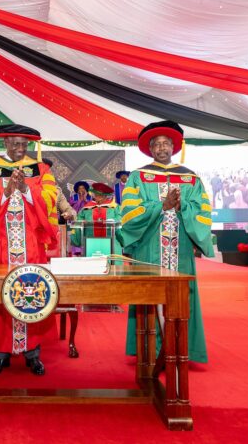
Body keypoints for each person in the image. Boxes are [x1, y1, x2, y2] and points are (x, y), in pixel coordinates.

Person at [0, 123, 58, 376]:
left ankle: (33, 354)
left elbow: (50, 197)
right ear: (5, 143)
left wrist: (27, 189)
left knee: (33, 291)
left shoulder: (40, 169)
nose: (20, 149)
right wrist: (5, 192)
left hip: (30, 243)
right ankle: (0, 354)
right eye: (15, 143)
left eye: (24, 144)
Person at [120, 120, 212, 364]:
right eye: (157, 144)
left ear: (173, 147)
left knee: (181, 296)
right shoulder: (138, 177)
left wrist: (181, 206)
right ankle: (151, 350)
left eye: (166, 143)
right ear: (150, 149)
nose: (161, 148)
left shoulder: (190, 178)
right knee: (148, 294)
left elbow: (202, 210)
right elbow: (129, 213)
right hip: (148, 247)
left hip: (180, 249)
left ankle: (179, 349)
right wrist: (162, 206)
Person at [70, 182, 123, 256]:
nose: (97, 197)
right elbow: (78, 222)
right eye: (96, 194)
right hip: (90, 244)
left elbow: (120, 219)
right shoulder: (86, 208)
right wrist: (81, 223)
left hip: (112, 244)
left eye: (100, 195)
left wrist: (113, 221)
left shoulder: (115, 207)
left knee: (111, 261)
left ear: (105, 196)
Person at [42, 158, 76, 223]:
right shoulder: (26, 188)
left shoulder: (57, 191)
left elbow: (69, 209)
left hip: (51, 225)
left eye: (46, 169)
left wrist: (69, 214)